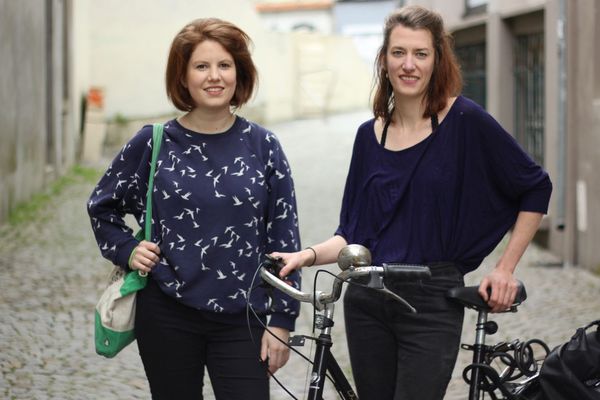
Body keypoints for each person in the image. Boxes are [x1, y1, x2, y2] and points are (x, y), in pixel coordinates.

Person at [274, 5, 552, 400]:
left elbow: (535, 187)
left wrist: (505, 269)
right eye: (399, 53)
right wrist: (305, 255)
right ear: (384, 60)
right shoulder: (368, 137)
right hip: (366, 298)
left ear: (437, 61)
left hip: (432, 297)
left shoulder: (465, 121)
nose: (409, 65)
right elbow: (351, 235)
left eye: (420, 54)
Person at [87, 18, 301, 400]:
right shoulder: (153, 144)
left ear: (239, 73)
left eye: (224, 65)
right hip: (167, 313)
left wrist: (282, 321)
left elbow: (284, 236)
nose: (214, 76)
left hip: (243, 317)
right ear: (183, 77)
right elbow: (101, 206)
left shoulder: (263, 146)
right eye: (201, 66)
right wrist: (127, 249)